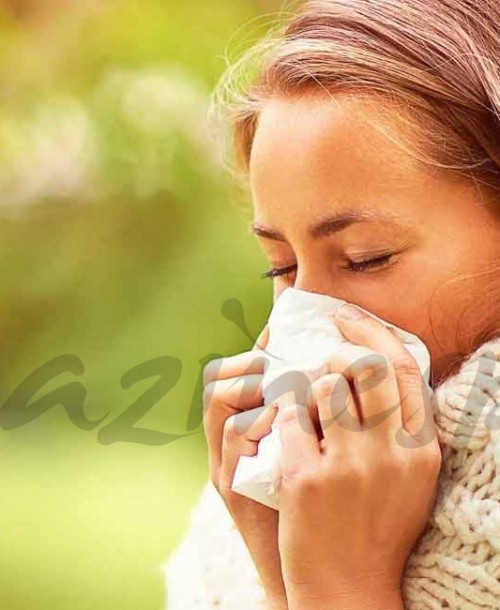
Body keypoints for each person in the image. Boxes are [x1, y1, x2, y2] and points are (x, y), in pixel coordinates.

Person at [166, 1, 500, 608]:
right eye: (282, 266)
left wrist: (342, 586)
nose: (299, 314)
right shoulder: (225, 537)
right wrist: (279, 563)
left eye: (365, 257)